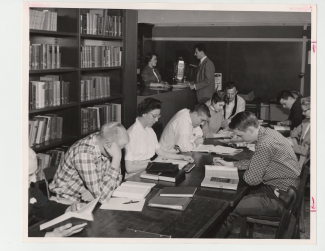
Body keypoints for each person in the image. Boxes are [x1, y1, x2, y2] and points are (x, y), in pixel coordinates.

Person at [212, 111, 300, 238]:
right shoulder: (268, 133)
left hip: (280, 197)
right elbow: (259, 161)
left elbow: (252, 179)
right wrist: (231, 165)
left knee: (227, 209)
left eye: (241, 135)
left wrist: (231, 173)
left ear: (250, 130)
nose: (241, 139)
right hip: (285, 190)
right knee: (234, 197)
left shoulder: (264, 143)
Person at [49, 122, 129, 204]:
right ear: (107, 144)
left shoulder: (102, 141)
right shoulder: (84, 153)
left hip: (86, 199)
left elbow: (118, 179)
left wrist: (96, 193)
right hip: (67, 202)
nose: (119, 153)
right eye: (119, 149)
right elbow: (103, 198)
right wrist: (116, 159)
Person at [124, 98, 194, 177]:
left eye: (158, 116)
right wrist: (153, 164)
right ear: (143, 113)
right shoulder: (131, 134)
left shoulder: (149, 130)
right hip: (135, 177)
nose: (156, 120)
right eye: (154, 116)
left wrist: (182, 157)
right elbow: (129, 168)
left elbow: (162, 153)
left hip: (148, 171)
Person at [28, 148, 87, 237]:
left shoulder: (29, 185)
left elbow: (43, 206)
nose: (34, 180)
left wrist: (68, 210)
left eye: (35, 173)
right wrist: (52, 235)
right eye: (29, 175)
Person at [287, 96, 311, 165]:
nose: (302, 113)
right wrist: (294, 139)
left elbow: (307, 151)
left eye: (305, 111)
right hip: (301, 157)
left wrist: (293, 145)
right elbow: (294, 132)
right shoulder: (306, 121)